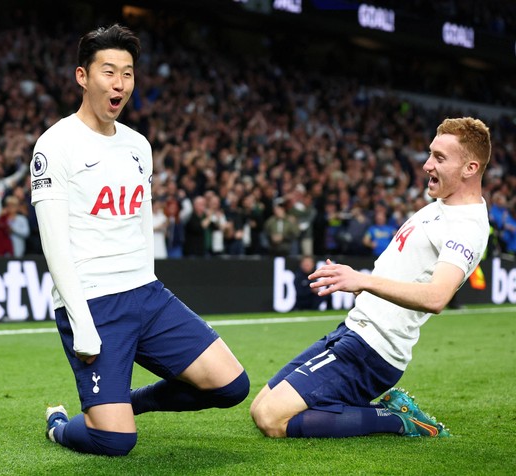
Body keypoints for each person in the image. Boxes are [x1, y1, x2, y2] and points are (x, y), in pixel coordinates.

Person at [31, 24, 249, 457]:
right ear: (82, 76)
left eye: (127, 73)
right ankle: (60, 425)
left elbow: (140, 228)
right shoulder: (55, 144)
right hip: (94, 302)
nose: (119, 83)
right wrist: (82, 325)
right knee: (115, 441)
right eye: (108, 71)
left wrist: (153, 289)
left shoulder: (139, 146)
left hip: (146, 295)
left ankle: (128, 403)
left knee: (232, 385)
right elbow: (54, 246)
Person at [250, 117, 491, 439]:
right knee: (260, 407)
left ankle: (396, 419)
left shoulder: (467, 226)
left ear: (470, 169)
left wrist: (362, 281)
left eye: (440, 158)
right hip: (353, 331)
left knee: (271, 419)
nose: (426, 165)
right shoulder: (442, 205)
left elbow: (437, 297)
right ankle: (381, 411)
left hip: (374, 349)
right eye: (430, 154)